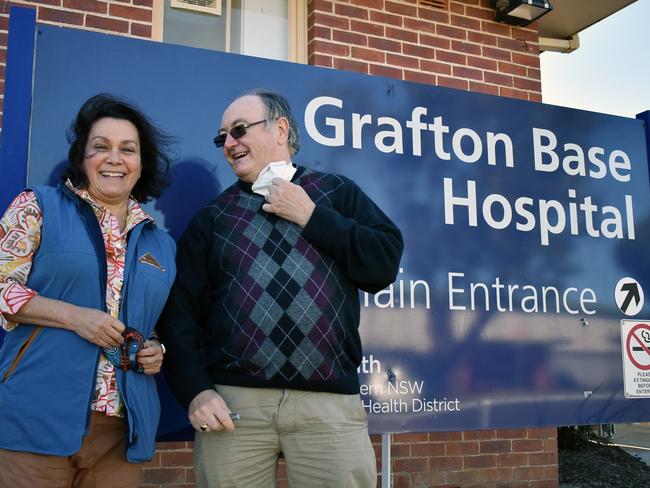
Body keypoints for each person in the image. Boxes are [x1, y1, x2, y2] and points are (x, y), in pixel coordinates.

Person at [157, 89, 403, 487]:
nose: (230, 143)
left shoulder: (337, 193)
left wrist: (310, 215)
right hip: (235, 410)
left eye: (239, 130)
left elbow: (383, 264)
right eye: (223, 138)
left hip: (328, 408)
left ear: (281, 129)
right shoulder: (213, 219)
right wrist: (196, 391)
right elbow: (180, 316)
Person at [0, 93, 176, 487]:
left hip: (122, 431)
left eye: (128, 149)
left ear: (141, 162)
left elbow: (162, 323)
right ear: (82, 157)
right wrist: (75, 317)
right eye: (101, 147)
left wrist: (156, 349)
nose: (115, 158)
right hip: (35, 417)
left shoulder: (161, 244)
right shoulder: (36, 206)